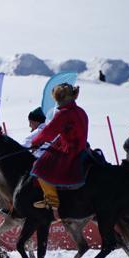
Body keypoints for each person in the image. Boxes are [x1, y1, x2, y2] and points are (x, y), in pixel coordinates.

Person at [30, 83, 89, 214]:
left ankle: (52, 200)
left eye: (57, 100)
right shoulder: (80, 111)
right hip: (82, 149)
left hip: (68, 150)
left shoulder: (64, 113)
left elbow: (48, 132)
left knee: (39, 167)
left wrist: (35, 142)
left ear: (60, 98)